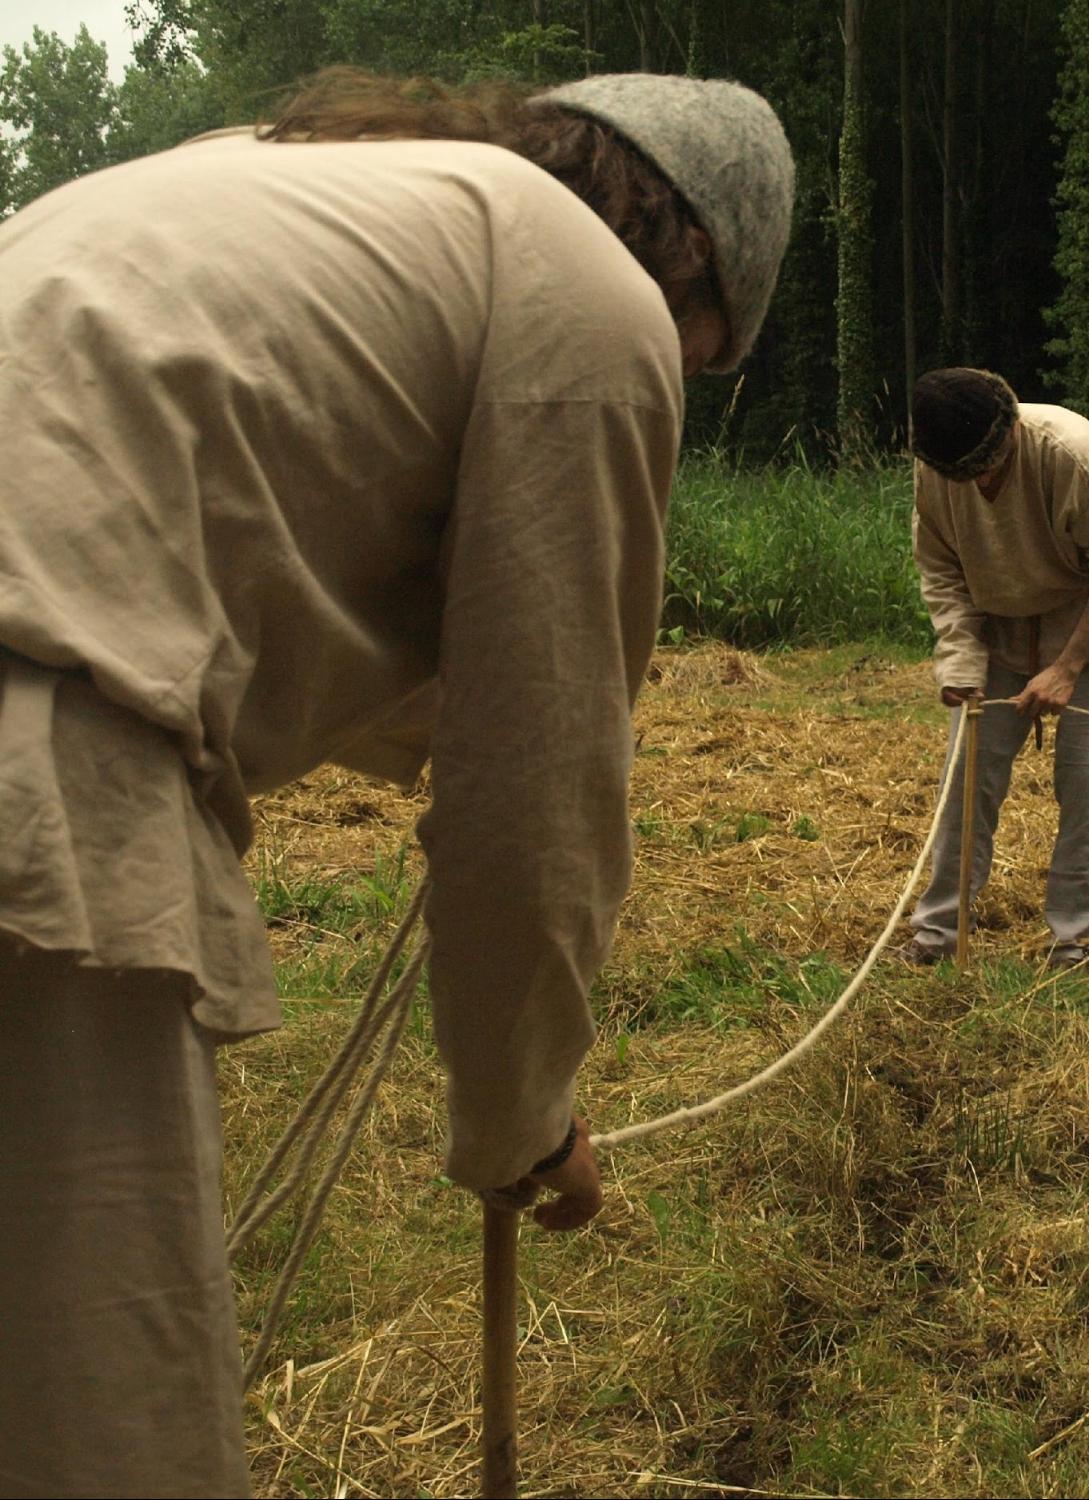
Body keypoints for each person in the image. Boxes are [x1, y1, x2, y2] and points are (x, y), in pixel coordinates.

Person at [0, 68, 792, 1497]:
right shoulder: (589, 299)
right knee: (85, 1406)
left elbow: (296, 540)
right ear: (687, 264)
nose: (681, 379)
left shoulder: (280, 176)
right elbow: (537, 773)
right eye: (705, 356)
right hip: (36, 729)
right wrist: (520, 1123)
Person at [904, 369, 1089, 970]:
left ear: (1012, 426)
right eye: (968, 474)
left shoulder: (1071, 452)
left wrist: (1068, 667)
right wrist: (961, 658)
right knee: (966, 782)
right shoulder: (936, 466)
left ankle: (1071, 942)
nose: (984, 480)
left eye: (991, 465)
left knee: (1088, 788)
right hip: (1000, 623)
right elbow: (941, 570)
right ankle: (939, 931)